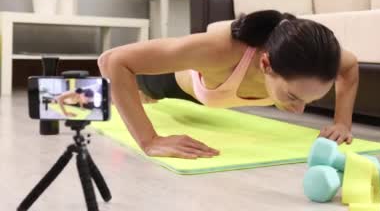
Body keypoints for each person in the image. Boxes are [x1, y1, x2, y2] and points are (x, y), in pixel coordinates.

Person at [98, 10, 359, 159]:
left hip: (208, 95)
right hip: (166, 83)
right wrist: (150, 140)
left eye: (307, 101)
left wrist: (342, 123)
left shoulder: (322, 61)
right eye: (293, 96)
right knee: (130, 88)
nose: (299, 109)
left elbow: (350, 67)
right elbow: (112, 60)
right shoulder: (221, 50)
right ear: (266, 64)